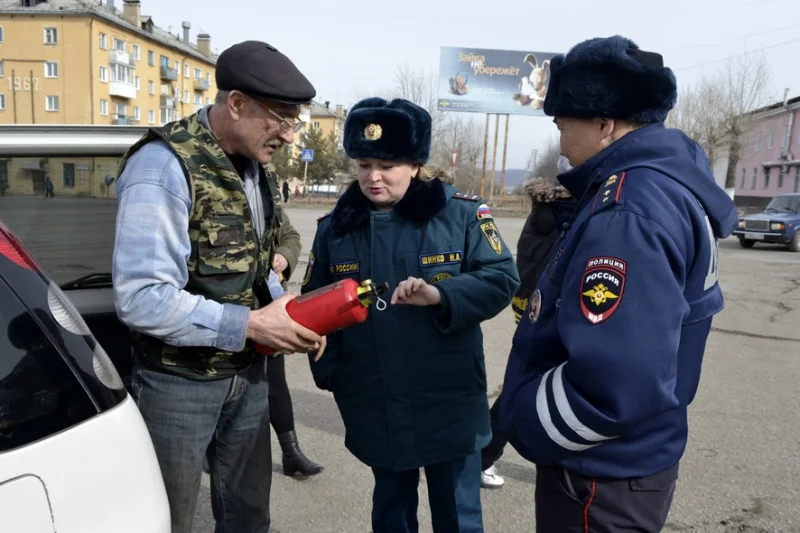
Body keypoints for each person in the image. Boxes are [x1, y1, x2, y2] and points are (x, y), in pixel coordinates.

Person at [498, 35, 738, 532]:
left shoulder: (628, 209)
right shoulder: (663, 184)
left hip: (598, 476)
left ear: (604, 124)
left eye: (564, 125)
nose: (561, 142)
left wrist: (522, 419)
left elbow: (614, 384)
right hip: (630, 460)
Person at [112, 40, 324, 533]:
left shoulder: (256, 168)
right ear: (236, 104)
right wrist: (249, 324)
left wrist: (287, 313)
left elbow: (255, 266)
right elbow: (141, 298)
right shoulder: (164, 166)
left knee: (249, 516)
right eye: (281, 119)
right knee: (170, 518)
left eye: (296, 122)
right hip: (177, 387)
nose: (289, 136)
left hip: (248, 380)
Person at [301, 97, 520, 533]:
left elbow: (501, 278)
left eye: (388, 165)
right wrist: (332, 369)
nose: (373, 177)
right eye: (364, 164)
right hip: (374, 397)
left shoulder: (460, 215)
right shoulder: (335, 228)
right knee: (391, 512)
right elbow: (314, 303)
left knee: (457, 514)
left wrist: (442, 295)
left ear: (416, 164)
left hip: (449, 398)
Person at [481, 162, 575, 489]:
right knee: (525, 388)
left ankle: (482, 455)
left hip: (530, 305)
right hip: (548, 311)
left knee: (523, 383)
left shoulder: (544, 210)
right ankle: (482, 456)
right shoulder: (569, 213)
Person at [265, 203, 324, 477]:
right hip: (232, 311)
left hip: (270, 306)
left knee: (275, 383)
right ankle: (212, 450)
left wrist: (284, 258)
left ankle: (291, 453)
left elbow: (291, 237)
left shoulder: (263, 194)